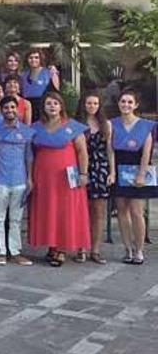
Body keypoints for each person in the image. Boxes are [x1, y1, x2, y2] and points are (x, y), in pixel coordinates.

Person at [29, 91, 90, 267]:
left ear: (61, 105)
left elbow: (82, 152)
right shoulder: (35, 127)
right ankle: (52, 246)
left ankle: (62, 248)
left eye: (55, 103)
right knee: (49, 210)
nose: (52, 106)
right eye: (49, 103)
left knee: (65, 210)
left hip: (66, 177)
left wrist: (83, 173)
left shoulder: (73, 126)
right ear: (44, 107)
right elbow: (29, 153)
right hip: (44, 177)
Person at [110, 90, 155, 265]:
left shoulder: (145, 126)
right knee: (122, 211)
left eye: (130, 102)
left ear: (135, 105)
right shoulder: (112, 124)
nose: (126, 105)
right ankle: (127, 248)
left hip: (138, 169)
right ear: (118, 103)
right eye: (123, 101)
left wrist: (142, 174)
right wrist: (112, 172)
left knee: (137, 212)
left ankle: (139, 250)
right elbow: (110, 150)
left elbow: (146, 152)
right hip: (120, 168)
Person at [0, 96, 35, 266]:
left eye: (12, 107)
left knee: (16, 219)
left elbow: (29, 156)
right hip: (0, 179)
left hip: (20, 179)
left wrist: (30, 178)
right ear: (1, 110)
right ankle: (0, 251)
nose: (9, 110)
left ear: (17, 109)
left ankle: (15, 251)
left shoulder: (26, 131)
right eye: (6, 108)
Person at [75, 92, 112, 265]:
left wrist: (112, 172)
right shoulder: (76, 125)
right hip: (83, 169)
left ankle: (95, 250)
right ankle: (81, 248)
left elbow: (110, 150)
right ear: (84, 105)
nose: (92, 106)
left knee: (98, 212)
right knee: (82, 211)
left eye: (95, 103)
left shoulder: (106, 125)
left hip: (101, 169)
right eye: (89, 103)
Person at [21, 49, 60, 121]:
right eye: (31, 58)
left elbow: (55, 93)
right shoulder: (23, 75)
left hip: (43, 108)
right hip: (28, 108)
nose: (33, 60)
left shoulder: (50, 73)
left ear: (40, 59)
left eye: (36, 57)